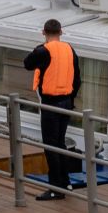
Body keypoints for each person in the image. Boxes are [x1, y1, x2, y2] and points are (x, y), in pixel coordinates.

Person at [23, 19, 80, 201]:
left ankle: (56, 188)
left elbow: (27, 64)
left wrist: (41, 47)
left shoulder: (43, 50)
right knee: (60, 143)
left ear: (43, 32)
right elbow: (77, 79)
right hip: (66, 102)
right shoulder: (70, 49)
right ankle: (66, 182)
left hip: (51, 103)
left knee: (50, 145)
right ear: (61, 32)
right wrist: (71, 99)